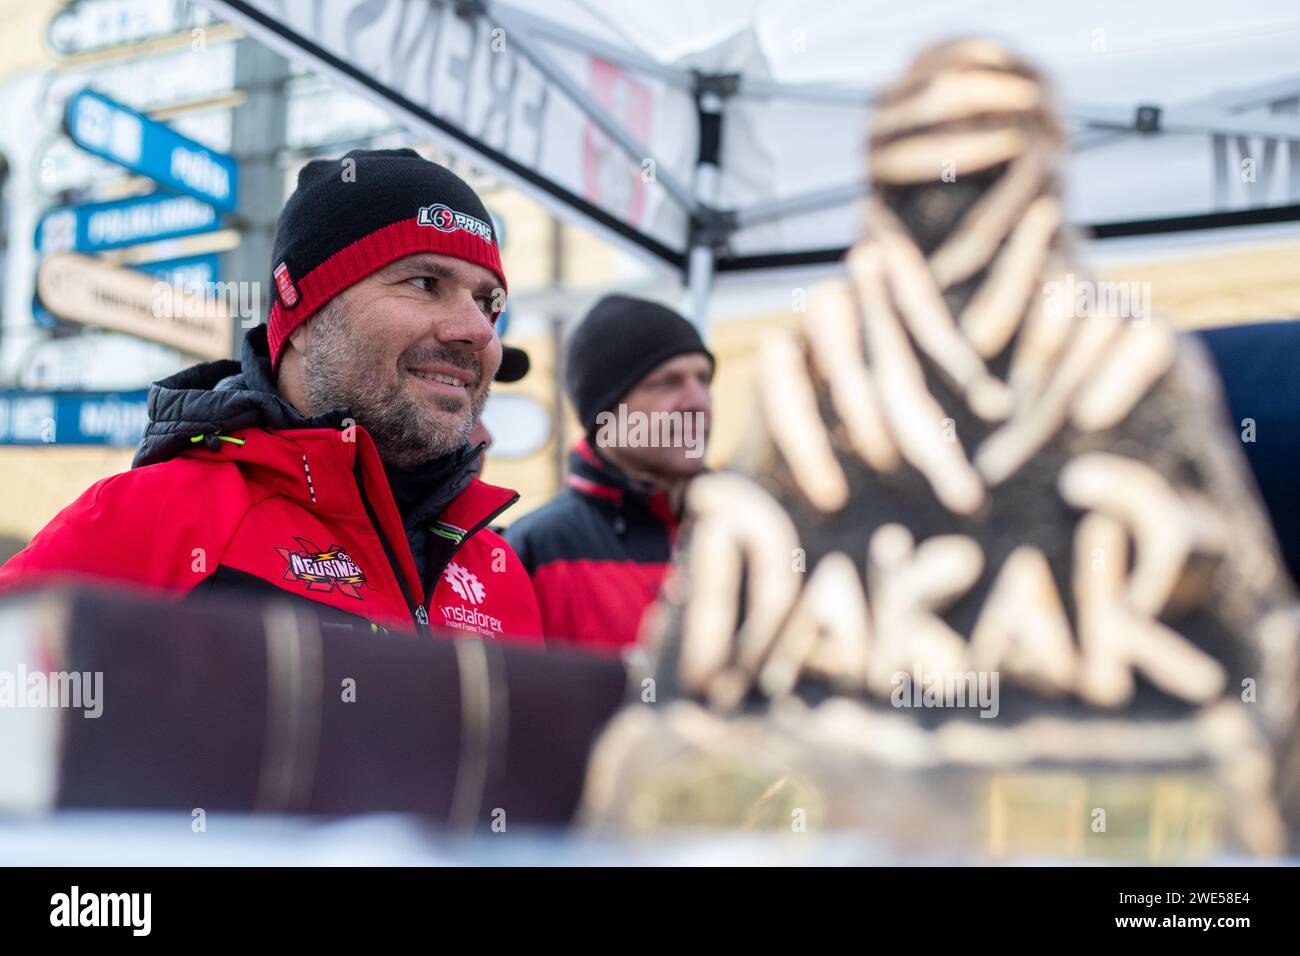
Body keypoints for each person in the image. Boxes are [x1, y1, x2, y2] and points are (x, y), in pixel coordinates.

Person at [0, 148, 542, 642]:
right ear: (304, 320)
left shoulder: (499, 573)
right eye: (425, 283)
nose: (479, 330)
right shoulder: (154, 519)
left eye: (488, 301)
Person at [505, 295, 713, 654]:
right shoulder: (535, 550)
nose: (698, 401)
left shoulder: (747, 529)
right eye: (667, 381)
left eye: (704, 379)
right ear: (606, 413)